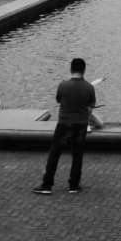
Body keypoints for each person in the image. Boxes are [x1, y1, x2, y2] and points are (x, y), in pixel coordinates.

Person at [33, 57, 97, 194]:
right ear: (84, 70)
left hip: (64, 124)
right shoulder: (89, 88)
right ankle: (73, 186)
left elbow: (58, 99)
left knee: (55, 154)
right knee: (77, 155)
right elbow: (91, 108)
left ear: (71, 69)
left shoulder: (63, 85)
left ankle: (47, 185)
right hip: (81, 125)